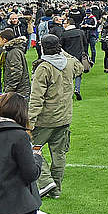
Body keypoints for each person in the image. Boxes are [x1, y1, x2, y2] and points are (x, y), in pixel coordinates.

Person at [30, 34, 87, 198]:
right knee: (59, 154)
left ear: (42, 47)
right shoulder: (69, 63)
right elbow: (80, 67)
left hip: (46, 119)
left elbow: (36, 97)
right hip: (64, 116)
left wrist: (30, 120)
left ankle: (47, 182)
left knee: (30, 149)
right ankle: (55, 189)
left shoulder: (44, 68)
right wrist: (64, 53)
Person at [0, 28, 31, 100]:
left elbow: (16, 72)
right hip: (18, 90)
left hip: (19, 91)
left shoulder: (14, 52)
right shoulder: (11, 50)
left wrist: (9, 89)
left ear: (4, 39)